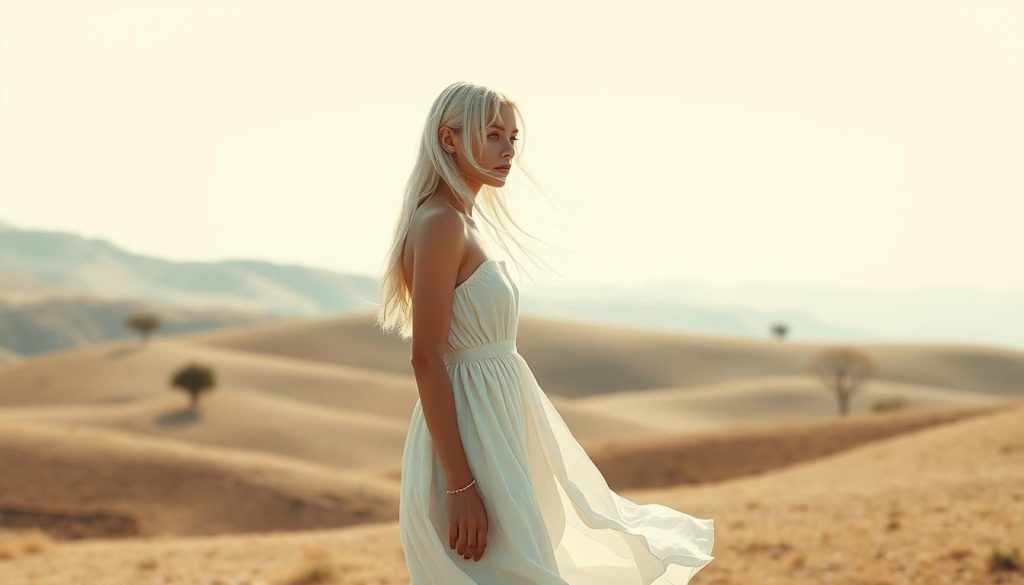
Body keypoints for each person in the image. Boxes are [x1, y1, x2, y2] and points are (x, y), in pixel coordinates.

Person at [377, 81, 714, 584]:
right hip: (471, 437)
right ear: (449, 139)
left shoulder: (462, 222)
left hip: (500, 427)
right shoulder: (441, 223)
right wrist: (460, 484)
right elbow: (426, 358)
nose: (508, 150)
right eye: (493, 135)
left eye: (512, 138)